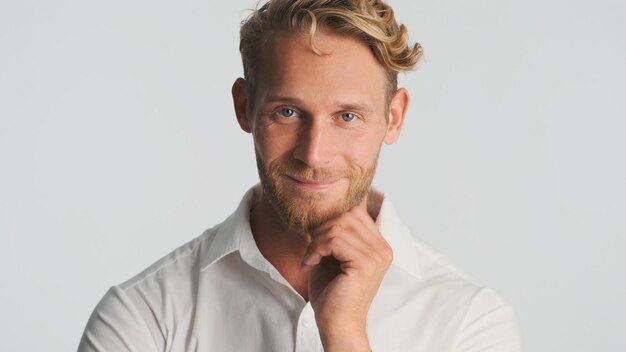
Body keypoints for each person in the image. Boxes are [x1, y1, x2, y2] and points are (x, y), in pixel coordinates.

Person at [78, 0, 522, 351]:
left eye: (347, 116)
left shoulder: (469, 323)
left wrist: (346, 335)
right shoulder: (143, 318)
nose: (314, 154)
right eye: (287, 112)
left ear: (394, 118)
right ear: (244, 107)